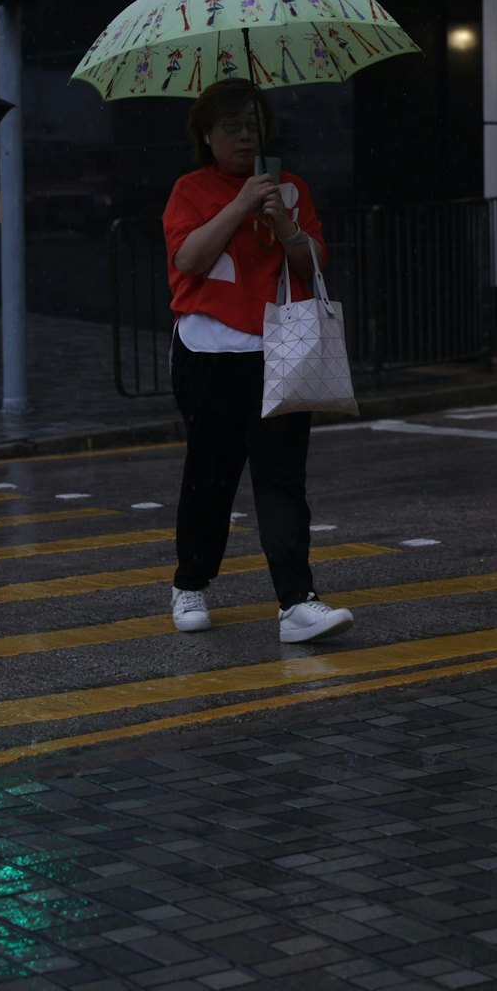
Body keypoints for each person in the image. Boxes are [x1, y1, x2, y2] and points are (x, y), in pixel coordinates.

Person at [162, 79, 354, 644]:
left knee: (281, 480)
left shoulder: (288, 187)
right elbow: (189, 258)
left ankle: (297, 601)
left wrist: (284, 223)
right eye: (232, 127)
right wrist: (240, 205)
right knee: (209, 476)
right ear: (207, 134)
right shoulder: (190, 189)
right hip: (209, 350)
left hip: (280, 349)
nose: (245, 135)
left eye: (253, 124)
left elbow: (315, 261)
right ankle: (190, 583)